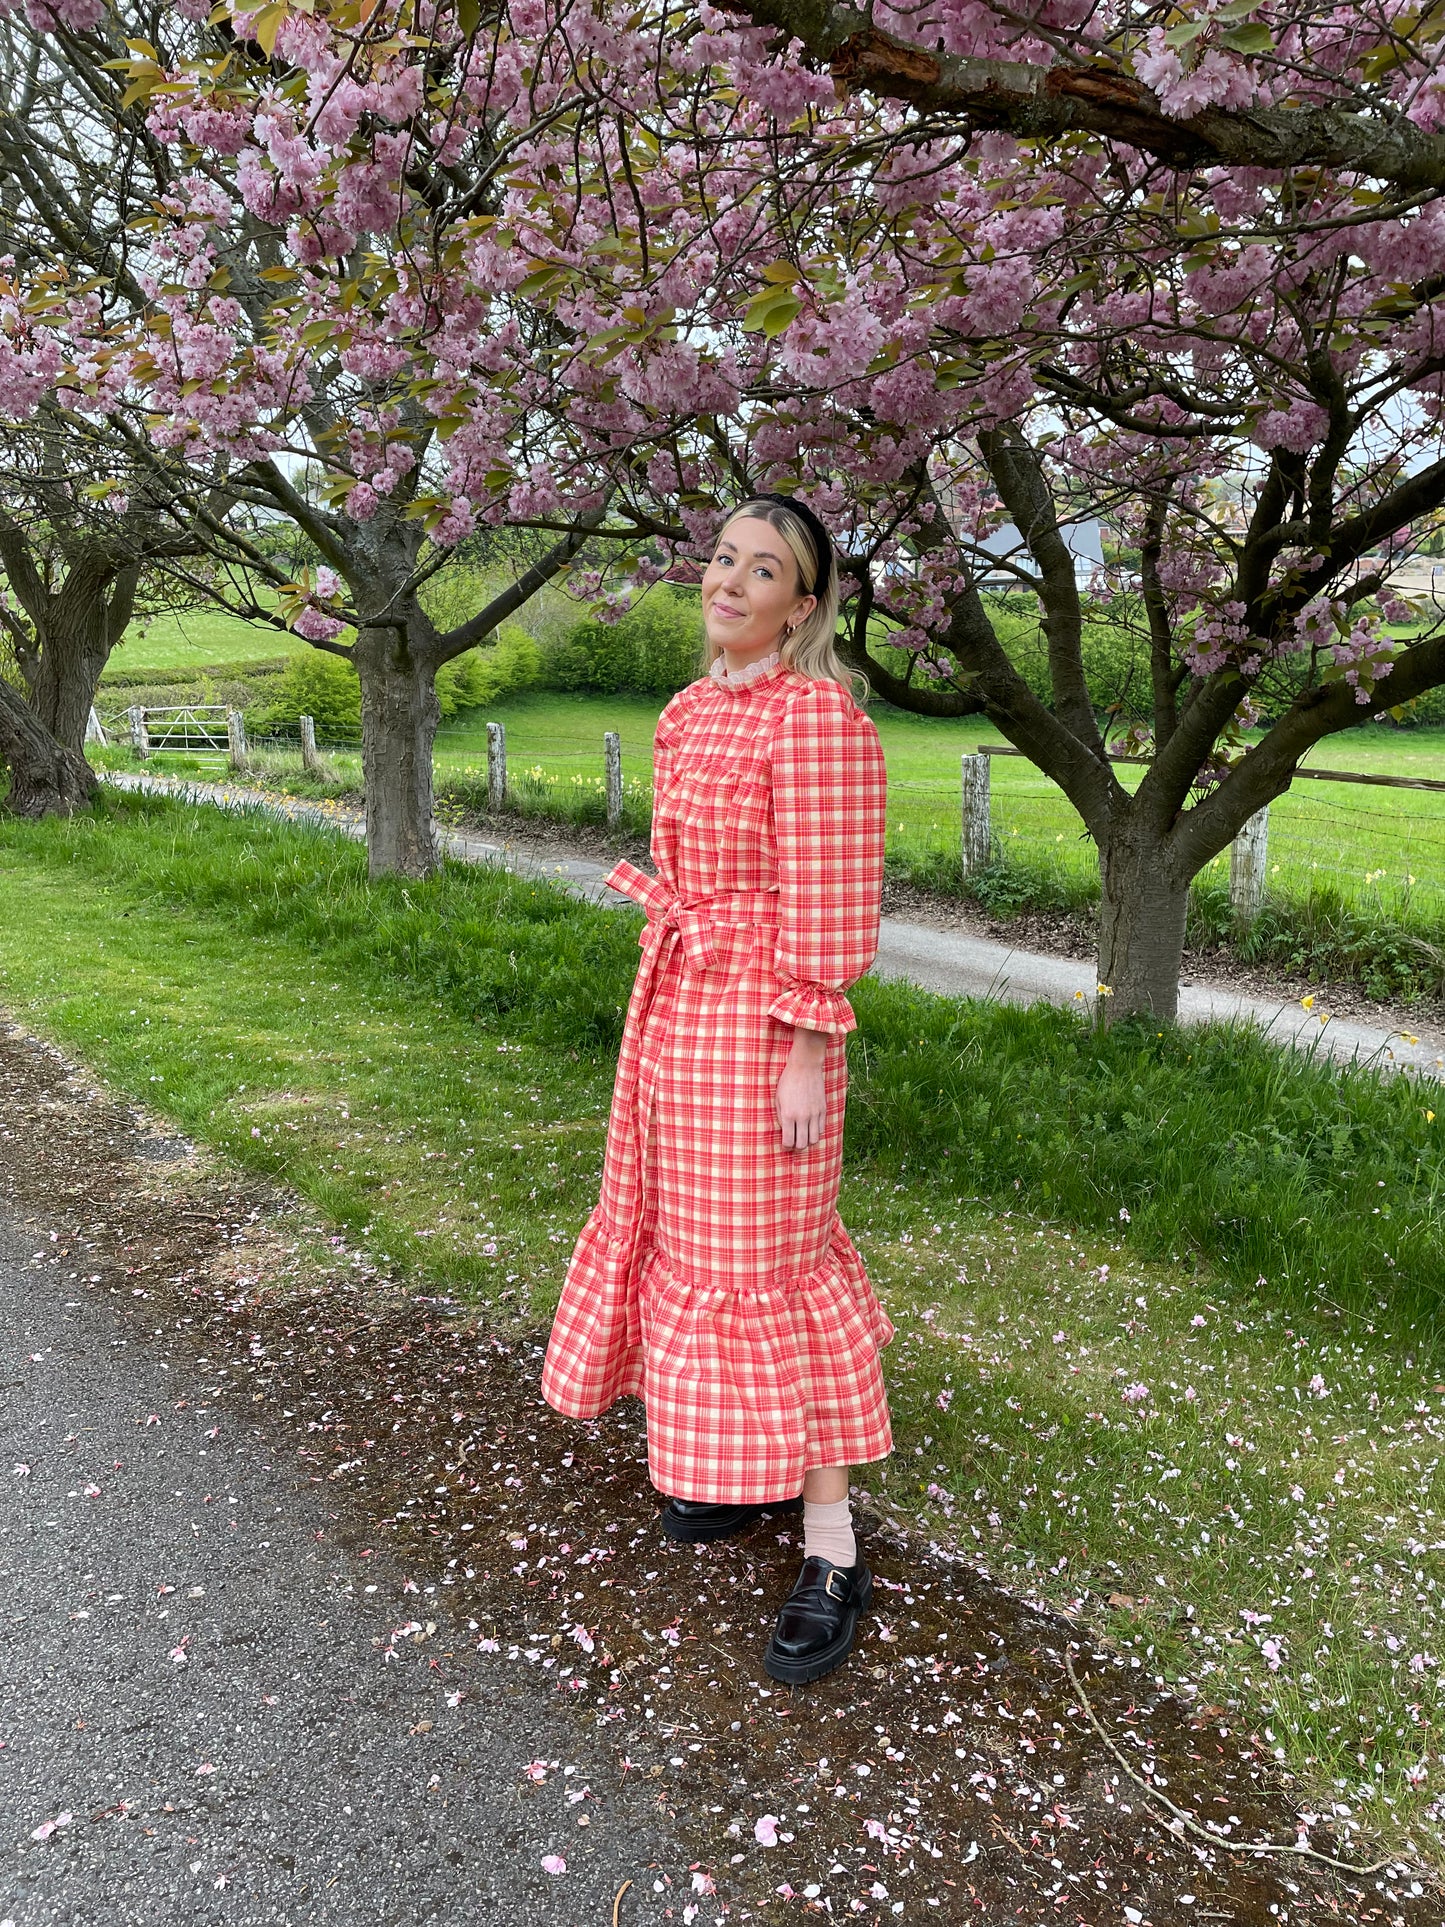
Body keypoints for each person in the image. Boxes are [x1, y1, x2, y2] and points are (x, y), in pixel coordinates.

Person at [542, 495, 892, 1684]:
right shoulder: (685, 712)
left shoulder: (820, 722)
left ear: (803, 603)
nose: (730, 582)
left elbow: (834, 904)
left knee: (772, 1268)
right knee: (685, 1241)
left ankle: (832, 1543)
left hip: (768, 1024)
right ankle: (738, 1482)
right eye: (723, 560)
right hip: (679, 1010)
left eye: (764, 571)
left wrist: (806, 1046)